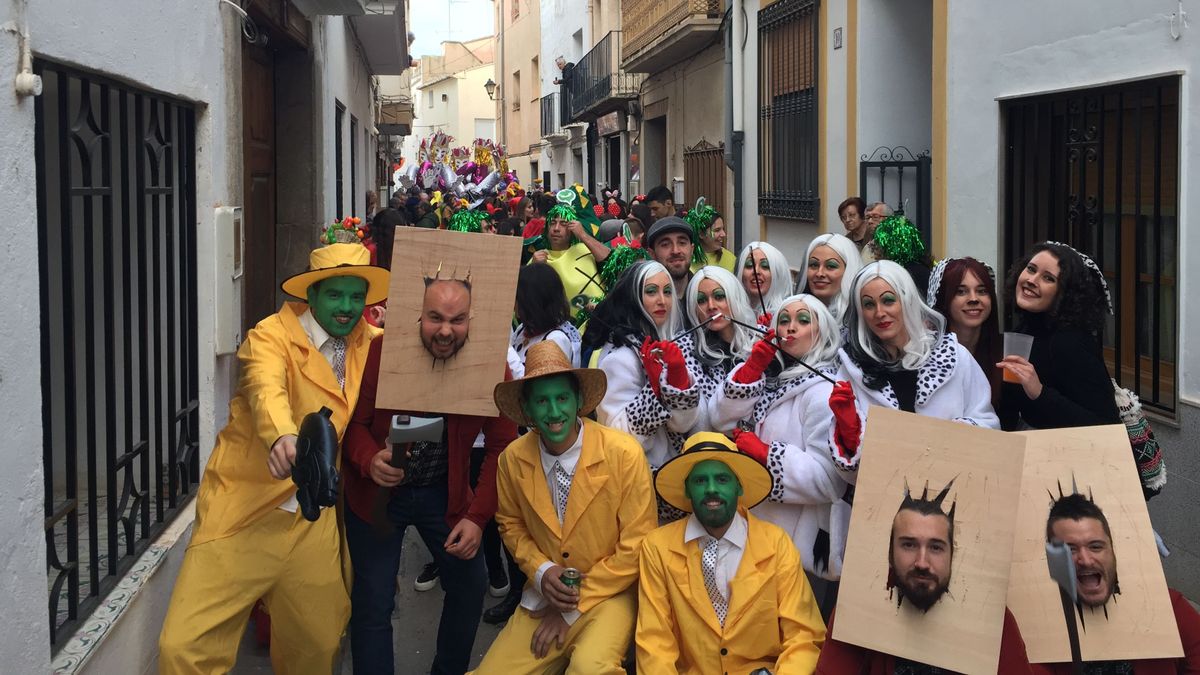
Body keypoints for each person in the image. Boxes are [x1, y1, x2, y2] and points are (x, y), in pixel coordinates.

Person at [158, 239, 389, 674]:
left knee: (318, 645)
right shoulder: (269, 336)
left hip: (310, 520)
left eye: (356, 296)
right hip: (246, 511)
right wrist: (283, 437)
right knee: (184, 649)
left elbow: (419, 350)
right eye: (335, 295)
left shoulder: (370, 341)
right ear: (311, 295)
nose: (346, 307)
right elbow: (266, 389)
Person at [471, 341, 657, 674]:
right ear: (527, 410)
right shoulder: (512, 459)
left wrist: (569, 609)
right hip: (545, 595)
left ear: (579, 402)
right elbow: (510, 524)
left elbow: (637, 545)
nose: (554, 412)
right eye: (542, 401)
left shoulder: (623, 454)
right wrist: (542, 572)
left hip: (610, 593)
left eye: (562, 398)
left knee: (590, 668)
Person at [340, 335, 518, 674]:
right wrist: (368, 459)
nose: (446, 330)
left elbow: (502, 445)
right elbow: (354, 424)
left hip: (443, 491)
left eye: (456, 319)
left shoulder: (490, 363)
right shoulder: (381, 351)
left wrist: (477, 518)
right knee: (373, 600)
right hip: (377, 496)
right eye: (436, 317)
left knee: (469, 583)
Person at [636, 432, 826, 674]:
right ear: (686, 489)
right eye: (700, 481)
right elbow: (654, 643)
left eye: (723, 479)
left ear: (739, 486)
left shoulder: (776, 543)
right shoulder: (657, 547)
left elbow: (804, 637)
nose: (712, 489)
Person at [709, 293, 847, 615]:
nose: (791, 327)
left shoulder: (823, 390)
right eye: (783, 320)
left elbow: (829, 480)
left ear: (822, 330)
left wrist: (766, 456)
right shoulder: (772, 379)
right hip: (753, 536)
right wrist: (752, 369)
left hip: (797, 550)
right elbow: (722, 420)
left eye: (803, 320)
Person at [815, 483, 1034, 674]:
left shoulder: (996, 623)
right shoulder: (858, 610)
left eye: (936, 547)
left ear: (953, 555)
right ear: (890, 552)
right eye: (909, 544)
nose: (922, 562)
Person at [827, 261, 999, 480]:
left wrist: (950, 438)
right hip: (881, 502)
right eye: (869, 305)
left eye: (888, 300)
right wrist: (850, 438)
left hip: (950, 497)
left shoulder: (954, 356)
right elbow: (848, 477)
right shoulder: (853, 371)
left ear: (907, 300)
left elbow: (989, 426)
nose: (879, 312)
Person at [1032, 493, 1200, 674]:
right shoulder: (1033, 634)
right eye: (1070, 550)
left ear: (1113, 551)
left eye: (1096, 546)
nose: (1086, 560)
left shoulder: (1170, 607)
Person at [587, 260, 698, 473]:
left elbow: (683, 424)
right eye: (651, 291)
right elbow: (617, 435)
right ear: (634, 298)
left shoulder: (670, 345)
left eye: (667, 292)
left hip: (671, 473)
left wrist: (677, 377)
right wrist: (654, 393)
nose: (662, 300)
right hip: (638, 477)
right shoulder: (620, 358)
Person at [998, 241, 1120, 432]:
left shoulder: (1071, 342)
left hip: (1065, 454)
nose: (1032, 280)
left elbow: (1106, 425)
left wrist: (1039, 392)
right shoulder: (1027, 326)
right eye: (1031, 269)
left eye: (1048, 278)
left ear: (1065, 293)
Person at [682, 266, 759, 433]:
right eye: (701, 300)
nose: (711, 306)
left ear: (734, 297)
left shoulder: (759, 343)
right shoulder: (686, 351)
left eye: (719, 296)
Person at [928, 257, 1002, 408]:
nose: (974, 299)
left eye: (982, 291)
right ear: (943, 299)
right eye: (961, 292)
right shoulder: (926, 357)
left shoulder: (1004, 355)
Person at [529, 203, 607, 316]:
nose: (556, 229)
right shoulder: (538, 258)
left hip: (597, 323)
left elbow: (610, 262)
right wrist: (534, 268)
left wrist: (583, 235)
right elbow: (526, 297)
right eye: (552, 223)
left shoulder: (585, 250)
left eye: (563, 224)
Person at [797, 232, 863, 322]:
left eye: (831, 266)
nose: (820, 273)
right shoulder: (793, 314)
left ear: (849, 271)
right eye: (813, 265)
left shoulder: (861, 319)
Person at [736, 241, 792, 321]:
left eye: (765, 266)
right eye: (749, 265)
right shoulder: (731, 313)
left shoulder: (784, 316)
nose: (756, 271)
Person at [645, 215, 697, 297]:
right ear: (652, 254)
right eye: (665, 245)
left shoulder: (706, 296)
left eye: (682, 243)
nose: (675, 251)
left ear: (692, 249)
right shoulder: (642, 301)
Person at [686, 198, 736, 274]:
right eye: (717, 230)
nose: (723, 234)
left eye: (723, 229)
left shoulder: (729, 259)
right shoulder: (685, 261)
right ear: (701, 234)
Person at [838, 196, 876, 263]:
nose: (847, 220)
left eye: (851, 215)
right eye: (844, 217)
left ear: (863, 215)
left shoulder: (876, 235)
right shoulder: (845, 241)